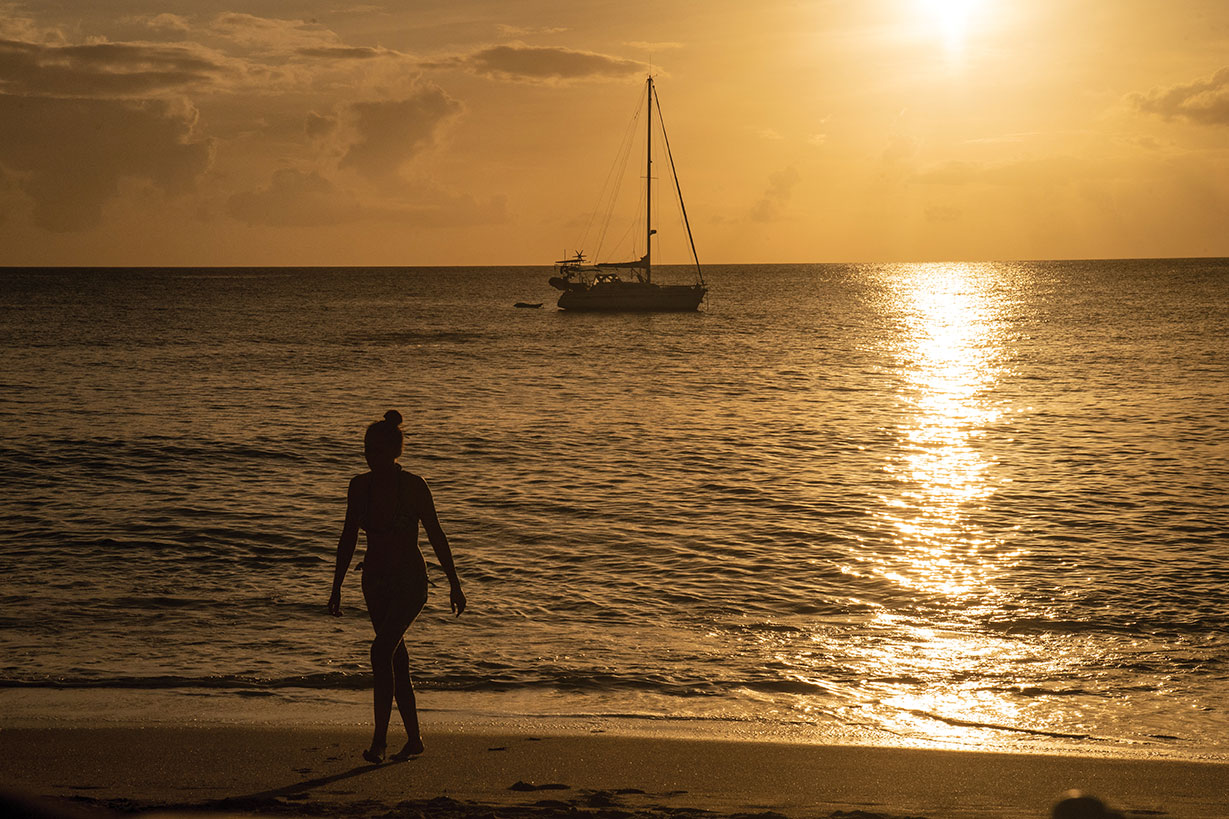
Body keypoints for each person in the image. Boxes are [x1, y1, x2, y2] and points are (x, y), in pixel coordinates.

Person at [328, 410, 466, 763]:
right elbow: (347, 537)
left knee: (380, 652)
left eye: (373, 449)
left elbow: (436, 534)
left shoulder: (414, 486)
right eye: (365, 449)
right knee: (395, 659)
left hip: (410, 582)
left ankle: (379, 743)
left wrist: (454, 583)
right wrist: (336, 586)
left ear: (392, 451)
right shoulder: (359, 486)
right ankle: (414, 739)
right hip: (374, 581)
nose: (367, 456)